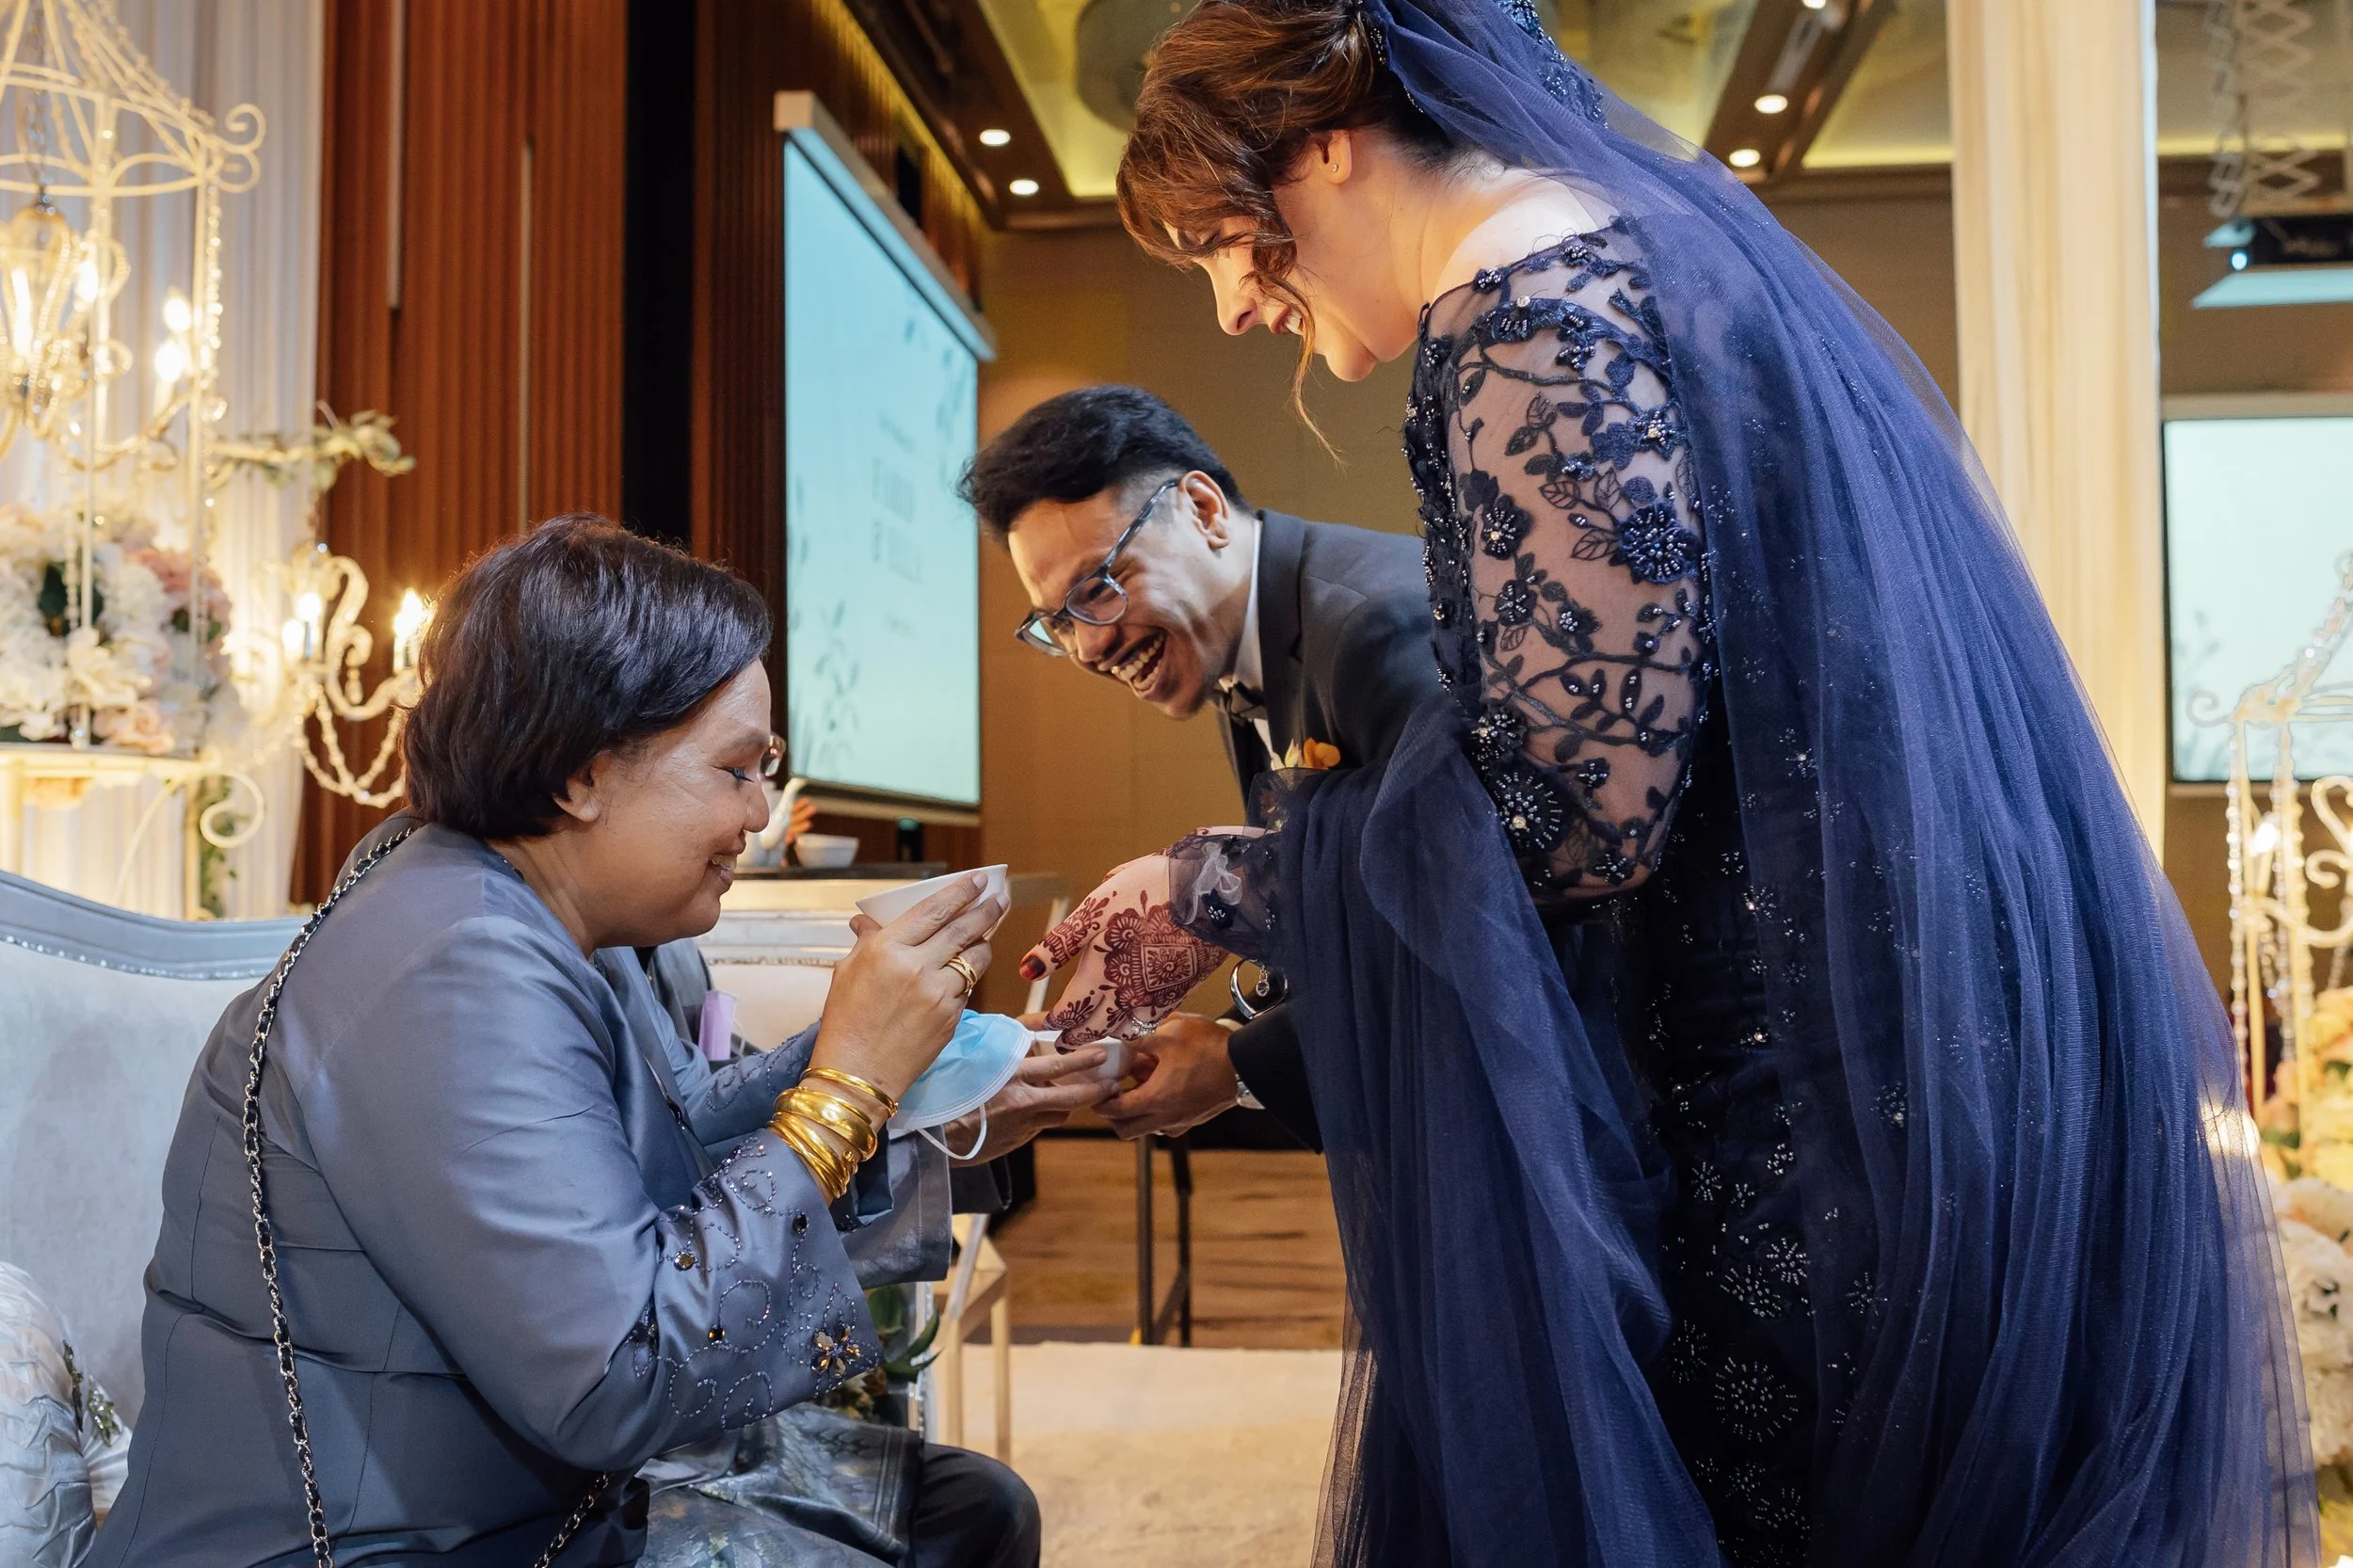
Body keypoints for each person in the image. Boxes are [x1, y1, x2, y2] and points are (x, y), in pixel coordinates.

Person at [1018, 2, 2316, 1564]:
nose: (1235, 306)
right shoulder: (1619, 261)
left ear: (1330, 149)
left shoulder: (1528, 310)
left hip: (1812, 1097)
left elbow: (1575, 815)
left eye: (1231, 243)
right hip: (1893, 1036)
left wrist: (1217, 885)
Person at [88, 518, 1036, 1568]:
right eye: (735, 769)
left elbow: (678, 1144)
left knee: (962, 1508)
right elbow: (619, 1376)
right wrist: (853, 1077)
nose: (760, 813)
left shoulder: (544, 915)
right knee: (947, 1528)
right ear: (580, 773)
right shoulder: (450, 968)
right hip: (377, 1543)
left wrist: (924, 1080)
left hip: (517, 1501)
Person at [960, 385, 1441, 1150]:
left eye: (1098, 588)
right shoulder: (1237, 647)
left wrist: (1241, 1064)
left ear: (1203, 511)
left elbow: (1463, 922)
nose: (1088, 647)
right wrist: (1216, 1044)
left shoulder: (1374, 628)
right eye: (1058, 622)